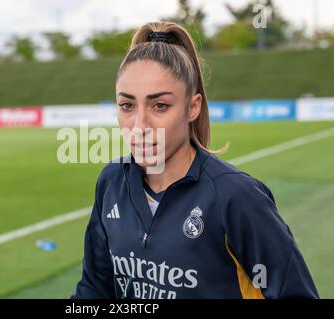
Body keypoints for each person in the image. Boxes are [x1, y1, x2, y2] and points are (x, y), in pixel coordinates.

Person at [71, 21, 318, 299]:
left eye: (160, 105)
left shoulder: (235, 196)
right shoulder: (111, 182)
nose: (139, 125)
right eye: (127, 105)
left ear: (193, 107)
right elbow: (94, 291)